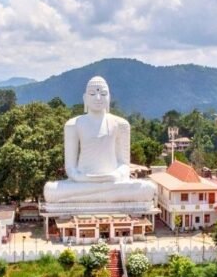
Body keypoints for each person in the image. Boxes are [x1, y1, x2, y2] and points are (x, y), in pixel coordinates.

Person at [43, 76, 156, 204]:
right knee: (50, 190)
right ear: (85, 98)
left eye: (103, 94)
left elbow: (124, 164)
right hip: (82, 183)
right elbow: (70, 168)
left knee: (148, 188)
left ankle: (94, 195)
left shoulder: (121, 124)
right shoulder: (73, 124)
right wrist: (81, 178)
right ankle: (103, 195)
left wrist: (116, 175)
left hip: (113, 182)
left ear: (109, 97)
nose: (98, 98)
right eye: (92, 94)